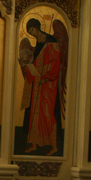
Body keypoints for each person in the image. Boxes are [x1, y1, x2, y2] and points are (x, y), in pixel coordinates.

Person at [18, 18, 64, 156]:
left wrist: (46, 77)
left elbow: (55, 62)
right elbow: (34, 63)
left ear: (37, 27)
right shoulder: (36, 45)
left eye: (32, 29)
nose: (32, 33)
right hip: (37, 84)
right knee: (34, 115)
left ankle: (54, 145)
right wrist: (25, 65)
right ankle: (34, 144)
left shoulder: (51, 41)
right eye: (30, 32)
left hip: (48, 85)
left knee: (48, 114)